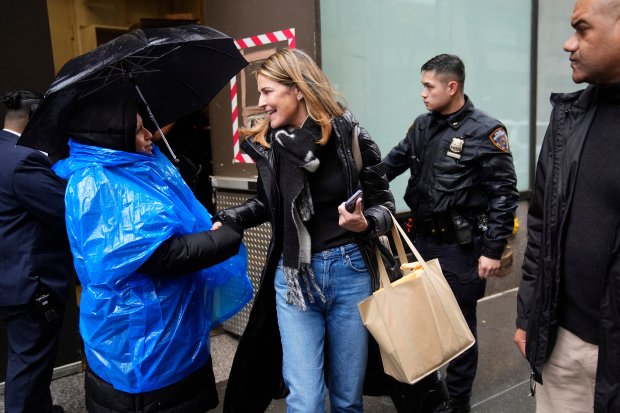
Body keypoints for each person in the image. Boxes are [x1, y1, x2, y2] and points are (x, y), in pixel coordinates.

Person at [50, 86, 253, 413]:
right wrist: (227, 236)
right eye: (138, 129)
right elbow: (163, 255)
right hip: (142, 338)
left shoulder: (126, 169)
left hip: (162, 326)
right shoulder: (100, 183)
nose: (149, 135)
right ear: (112, 136)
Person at [215, 48, 396, 413]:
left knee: (346, 399)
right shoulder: (270, 143)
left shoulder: (347, 133)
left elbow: (385, 204)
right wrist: (232, 216)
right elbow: (270, 203)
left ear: (297, 88)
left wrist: (366, 222)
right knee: (307, 401)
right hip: (294, 276)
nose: (262, 102)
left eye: (268, 91)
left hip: (351, 273)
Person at [382, 54, 519, 413]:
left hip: (461, 248)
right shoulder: (422, 127)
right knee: (421, 323)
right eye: (423, 86)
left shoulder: (485, 131)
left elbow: (504, 195)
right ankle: (431, 398)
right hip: (420, 241)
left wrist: (492, 249)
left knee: (460, 328)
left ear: (451, 86)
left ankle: (458, 403)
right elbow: (389, 165)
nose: (423, 93)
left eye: (429, 86)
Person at [514, 0, 620, 411]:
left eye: (582, 29)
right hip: (563, 345)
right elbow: (540, 225)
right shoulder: (568, 119)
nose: (567, 43)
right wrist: (529, 316)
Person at [0, 90, 72, 413]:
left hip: (10, 277)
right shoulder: (24, 159)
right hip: (32, 284)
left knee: (28, 360)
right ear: (32, 115)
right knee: (29, 367)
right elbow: (63, 210)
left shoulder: (4, 153)